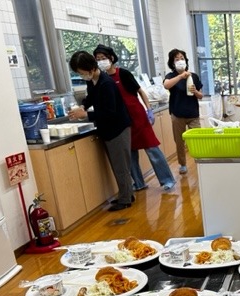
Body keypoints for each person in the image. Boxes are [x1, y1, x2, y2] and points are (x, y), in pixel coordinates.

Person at [93, 45, 176, 191]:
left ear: (111, 58)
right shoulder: (101, 79)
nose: (101, 62)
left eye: (103, 58)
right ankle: (138, 183)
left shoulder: (123, 74)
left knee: (152, 150)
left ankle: (167, 180)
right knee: (130, 154)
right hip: (122, 121)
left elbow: (140, 91)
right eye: (98, 59)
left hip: (137, 117)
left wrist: (148, 109)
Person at [68, 51, 133, 212]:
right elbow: (90, 97)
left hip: (118, 128)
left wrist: (86, 114)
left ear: (90, 68)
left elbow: (110, 112)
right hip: (109, 129)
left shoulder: (106, 83)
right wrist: (82, 106)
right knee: (118, 165)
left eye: (82, 72)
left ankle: (125, 199)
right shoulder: (94, 81)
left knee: (121, 166)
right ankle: (127, 194)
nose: (82, 76)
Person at [163, 49, 203, 174]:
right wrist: (180, 76)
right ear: (172, 63)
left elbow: (201, 95)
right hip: (177, 114)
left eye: (182, 58)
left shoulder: (194, 76)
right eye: (177, 59)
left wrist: (195, 91)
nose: (180, 61)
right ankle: (183, 164)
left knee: (197, 139)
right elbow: (166, 85)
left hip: (193, 114)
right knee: (179, 141)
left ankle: (201, 160)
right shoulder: (171, 76)